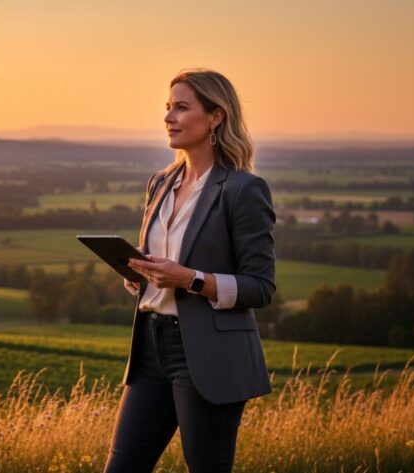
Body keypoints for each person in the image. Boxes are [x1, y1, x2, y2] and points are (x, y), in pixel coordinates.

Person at [102, 68, 275, 473]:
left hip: (206, 354)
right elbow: (159, 269)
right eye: (167, 107)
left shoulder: (243, 189)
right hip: (149, 348)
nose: (168, 117)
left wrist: (190, 279)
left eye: (181, 107)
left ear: (216, 116)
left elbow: (261, 287)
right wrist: (138, 276)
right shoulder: (160, 182)